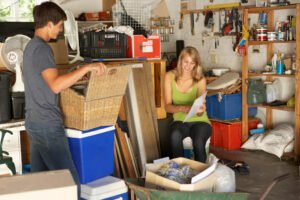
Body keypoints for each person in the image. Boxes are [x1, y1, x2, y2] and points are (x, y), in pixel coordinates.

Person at [23, 2, 106, 198]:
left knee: (41, 185)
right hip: (47, 126)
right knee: (70, 185)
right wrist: (85, 69)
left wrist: (73, 74)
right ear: (49, 24)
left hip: (34, 122)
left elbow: (46, 80)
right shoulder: (43, 49)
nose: (60, 30)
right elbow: (55, 85)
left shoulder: (30, 46)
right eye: (60, 25)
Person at [164, 46, 211, 163]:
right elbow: (167, 106)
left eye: (192, 63)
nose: (188, 66)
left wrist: (200, 110)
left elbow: (201, 109)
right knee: (175, 135)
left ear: (196, 64)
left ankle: (202, 175)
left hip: (200, 122)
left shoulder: (200, 79)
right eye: (186, 62)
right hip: (180, 122)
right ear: (180, 61)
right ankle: (179, 171)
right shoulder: (169, 76)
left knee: (198, 140)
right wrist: (182, 108)